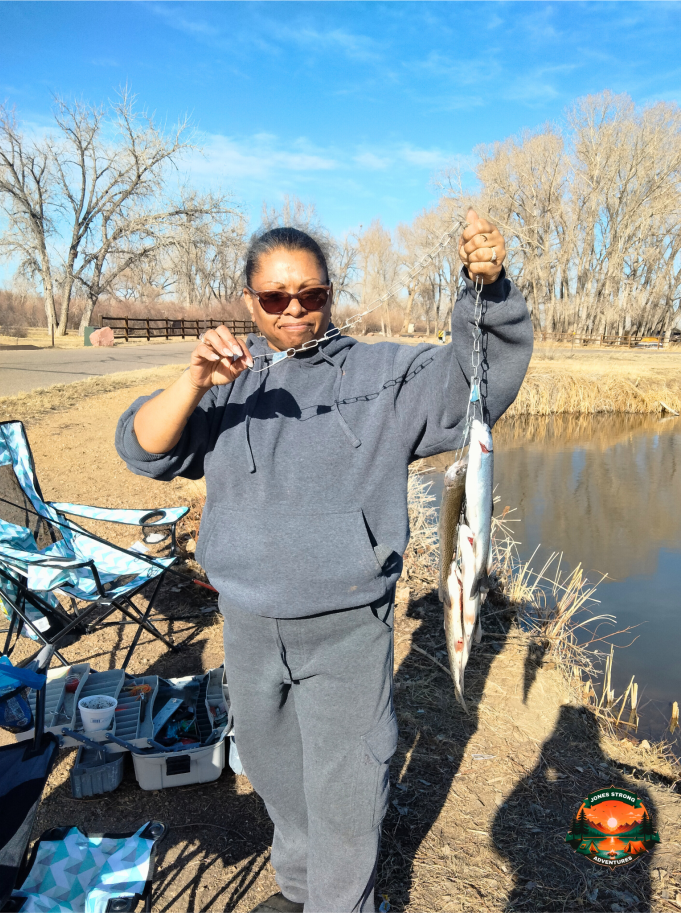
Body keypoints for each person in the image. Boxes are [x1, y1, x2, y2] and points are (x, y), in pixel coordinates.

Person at [115, 210, 533, 913]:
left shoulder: (381, 375)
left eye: (310, 294)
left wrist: (485, 289)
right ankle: (301, 891)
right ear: (250, 300)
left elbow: (474, 384)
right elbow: (144, 448)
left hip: (345, 628)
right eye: (275, 297)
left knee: (346, 792)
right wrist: (193, 380)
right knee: (278, 775)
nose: (295, 311)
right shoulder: (228, 377)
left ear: (329, 293)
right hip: (247, 623)